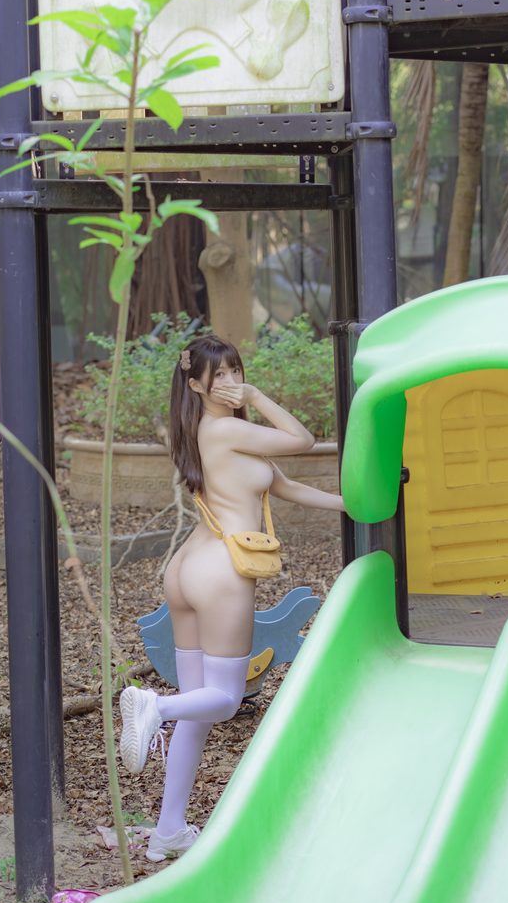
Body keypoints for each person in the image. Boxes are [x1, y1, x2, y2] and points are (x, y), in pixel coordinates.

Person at [118, 333, 345, 862]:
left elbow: (285, 487)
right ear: (196, 384)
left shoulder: (213, 433)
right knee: (223, 698)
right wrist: (258, 396)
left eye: (235, 371)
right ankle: (154, 706)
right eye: (217, 375)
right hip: (220, 571)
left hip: (187, 568)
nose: (231, 381)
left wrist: (348, 504)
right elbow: (303, 439)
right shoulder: (224, 428)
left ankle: (169, 830)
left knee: (199, 712)